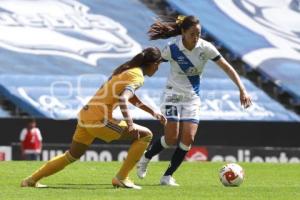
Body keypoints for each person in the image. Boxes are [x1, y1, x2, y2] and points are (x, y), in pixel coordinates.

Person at [21, 47, 166, 189]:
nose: (158, 68)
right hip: (99, 119)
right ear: (154, 64)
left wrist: (153, 112)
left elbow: (130, 98)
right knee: (146, 135)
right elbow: (123, 98)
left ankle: (30, 180)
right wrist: (130, 124)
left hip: (85, 115)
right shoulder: (137, 76)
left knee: (72, 155)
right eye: (159, 65)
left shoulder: (125, 71)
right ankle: (121, 178)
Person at [137, 15, 252, 186]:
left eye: (198, 33)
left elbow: (227, 68)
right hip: (172, 95)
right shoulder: (172, 48)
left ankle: (167, 176)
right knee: (171, 138)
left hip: (192, 98)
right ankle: (146, 158)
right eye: (192, 33)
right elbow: (152, 64)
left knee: (188, 139)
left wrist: (242, 89)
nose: (196, 37)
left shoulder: (206, 48)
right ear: (183, 32)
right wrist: (135, 76)